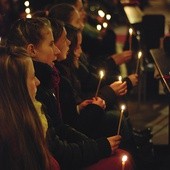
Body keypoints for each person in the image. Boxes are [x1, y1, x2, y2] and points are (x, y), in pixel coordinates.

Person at [6, 17, 134, 170]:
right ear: (32, 50)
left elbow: (60, 127)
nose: (58, 50)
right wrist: (99, 147)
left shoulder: (49, 77)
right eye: (52, 44)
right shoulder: (37, 90)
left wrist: (94, 143)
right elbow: (60, 148)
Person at [0, 46, 60, 170]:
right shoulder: (15, 137)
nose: (38, 82)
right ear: (16, 87)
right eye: (32, 77)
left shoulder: (31, 116)